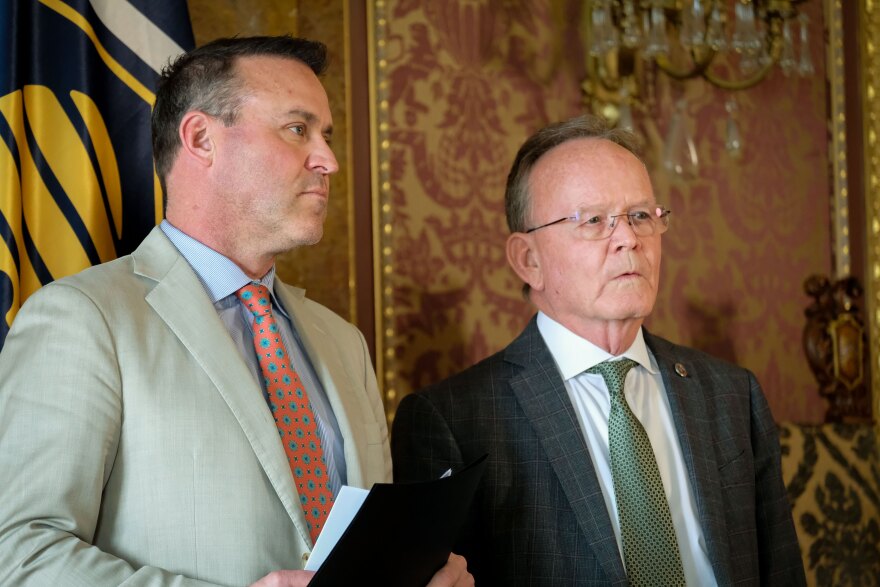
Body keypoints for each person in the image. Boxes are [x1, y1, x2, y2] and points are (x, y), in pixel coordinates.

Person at [0, 35, 471, 587]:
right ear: (201, 138)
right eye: (298, 130)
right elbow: (20, 554)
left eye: (326, 136)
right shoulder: (82, 319)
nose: (329, 160)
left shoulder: (344, 342)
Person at [391, 114, 806, 586]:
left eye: (642, 216)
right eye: (594, 221)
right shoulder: (454, 420)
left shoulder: (732, 394)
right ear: (529, 260)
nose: (629, 238)